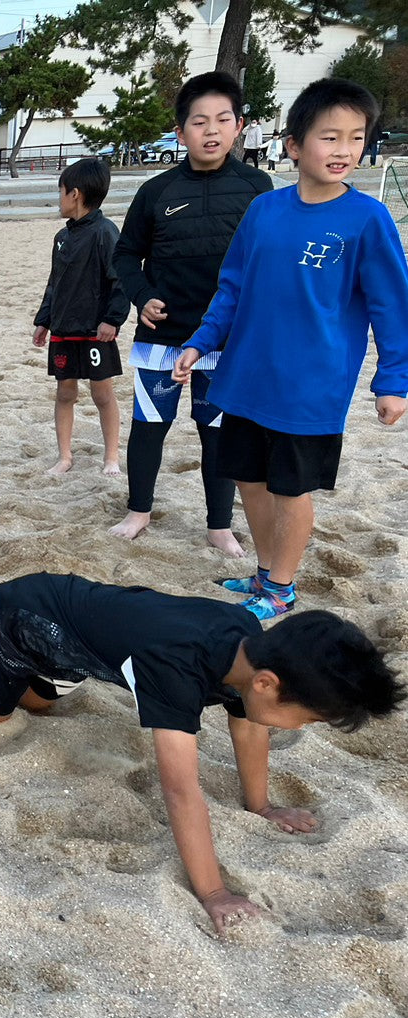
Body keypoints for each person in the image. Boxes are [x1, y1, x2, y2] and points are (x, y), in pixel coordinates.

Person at [0, 573, 405, 934]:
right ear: (268, 683)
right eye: (309, 717)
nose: (306, 726)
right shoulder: (176, 668)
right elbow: (180, 790)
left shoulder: (248, 644)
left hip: (78, 640)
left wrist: (262, 806)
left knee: (36, 703)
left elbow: (249, 728)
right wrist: (215, 894)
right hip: (33, 617)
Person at [174, 78, 408, 620]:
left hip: (312, 387)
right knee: (249, 481)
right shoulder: (265, 210)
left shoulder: (366, 219)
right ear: (294, 145)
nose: (345, 150)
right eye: (330, 137)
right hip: (248, 376)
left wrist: (393, 380)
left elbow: (392, 307)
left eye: (356, 137)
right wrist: (201, 340)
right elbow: (231, 286)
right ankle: (264, 575)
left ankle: (281, 588)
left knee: (290, 489)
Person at [108, 72, 274, 553]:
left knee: (216, 432)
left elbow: (267, 260)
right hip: (163, 338)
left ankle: (219, 524)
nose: (211, 130)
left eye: (223, 119)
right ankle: (139, 511)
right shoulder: (156, 191)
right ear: (180, 133)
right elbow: (124, 255)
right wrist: (143, 296)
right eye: (199, 122)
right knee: (149, 427)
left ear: (239, 126)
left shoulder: (255, 187)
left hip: (226, 342)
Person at [31, 157, 127, 476]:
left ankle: (111, 457)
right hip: (63, 329)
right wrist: (44, 320)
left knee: (102, 393)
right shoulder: (61, 237)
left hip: (95, 331)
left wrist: (112, 319)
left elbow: (120, 280)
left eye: (60, 191)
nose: (58, 199)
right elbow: (53, 282)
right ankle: (64, 456)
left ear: (75, 194)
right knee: (65, 393)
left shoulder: (105, 232)